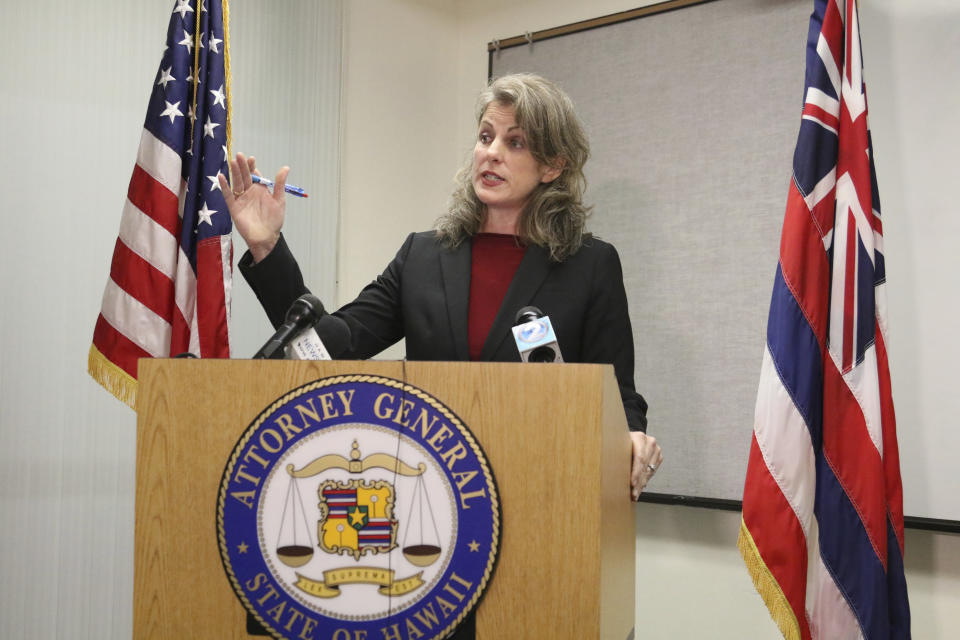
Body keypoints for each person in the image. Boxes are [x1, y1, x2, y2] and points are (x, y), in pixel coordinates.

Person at [219, 73, 663, 500]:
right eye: (486, 136)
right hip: (431, 492)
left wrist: (631, 439)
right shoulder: (424, 257)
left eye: (516, 142)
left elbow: (617, 391)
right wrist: (267, 246)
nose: (491, 153)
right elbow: (334, 344)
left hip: (543, 486)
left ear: (552, 166)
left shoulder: (588, 264)